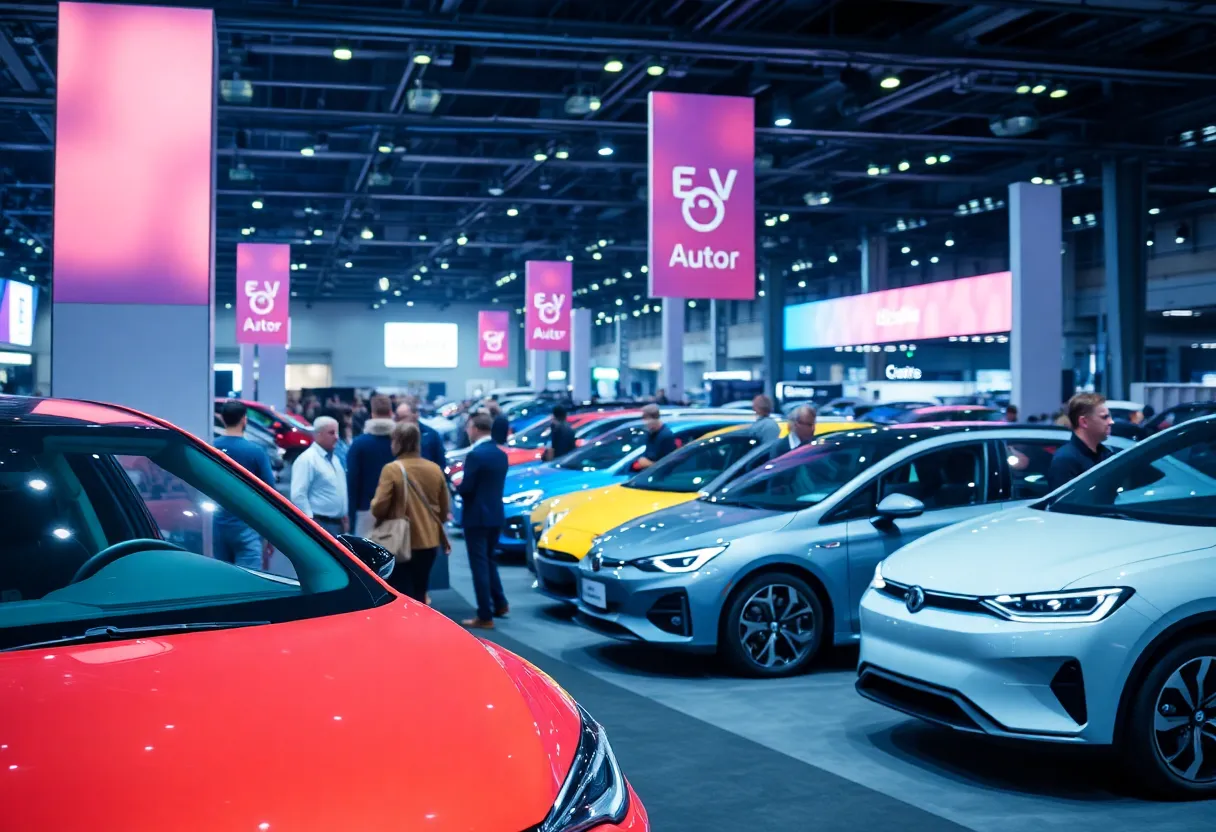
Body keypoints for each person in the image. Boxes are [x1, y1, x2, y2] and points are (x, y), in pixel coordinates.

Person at [370, 422, 450, 603]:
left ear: (397, 442)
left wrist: (375, 505)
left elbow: (379, 507)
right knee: (421, 591)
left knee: (401, 594)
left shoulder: (392, 469)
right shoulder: (434, 469)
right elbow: (444, 509)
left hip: (401, 541)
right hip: (429, 541)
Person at [458, 411, 510, 629]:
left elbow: (467, 489)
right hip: (496, 515)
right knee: (489, 561)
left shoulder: (475, 456)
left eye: (469, 428)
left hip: (476, 518)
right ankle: (500, 603)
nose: (467, 431)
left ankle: (484, 614)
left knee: (479, 565)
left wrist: (457, 487)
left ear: (476, 429)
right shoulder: (500, 454)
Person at [212, 400, 275, 569]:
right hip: (248, 525)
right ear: (244, 420)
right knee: (250, 581)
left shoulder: (210, 448)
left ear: (223, 419)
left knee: (224, 579)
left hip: (218, 523)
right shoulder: (255, 451)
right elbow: (270, 495)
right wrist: (271, 534)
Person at [290, 415, 349, 537]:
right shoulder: (307, 460)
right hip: (320, 524)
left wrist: (344, 515)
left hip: (337, 524)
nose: (336, 437)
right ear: (318, 435)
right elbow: (298, 494)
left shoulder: (335, 459)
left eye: (336, 433)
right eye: (331, 433)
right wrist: (310, 521)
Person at [346, 394, 396, 536]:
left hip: (365, 509)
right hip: (396, 510)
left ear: (372, 414)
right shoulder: (401, 443)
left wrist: (351, 515)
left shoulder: (359, 444)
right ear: (391, 413)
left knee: (364, 556)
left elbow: (352, 482)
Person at [1046, 393, 1114, 490]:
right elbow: (1065, 504)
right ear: (1084, 422)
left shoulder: (1106, 454)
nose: (1111, 422)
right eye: (1104, 417)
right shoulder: (1065, 460)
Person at [395, 400, 446, 472]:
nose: (399, 421)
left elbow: (441, 462)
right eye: (398, 418)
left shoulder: (431, 435)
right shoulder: (394, 435)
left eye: (403, 417)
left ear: (415, 415)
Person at [635, 404, 677, 470]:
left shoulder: (666, 436)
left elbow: (668, 464)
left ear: (654, 419)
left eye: (646, 419)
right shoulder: (650, 433)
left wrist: (649, 464)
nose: (644, 423)